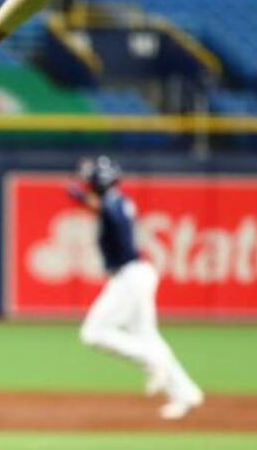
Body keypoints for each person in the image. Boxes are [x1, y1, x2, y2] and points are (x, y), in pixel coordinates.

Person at [66, 156, 204, 420]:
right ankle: (186, 393)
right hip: (136, 274)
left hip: (129, 276)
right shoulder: (117, 201)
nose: (88, 183)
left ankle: (153, 359)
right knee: (147, 336)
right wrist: (84, 199)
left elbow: (109, 212)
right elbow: (104, 209)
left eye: (91, 180)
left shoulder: (113, 204)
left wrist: (84, 198)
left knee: (93, 333)